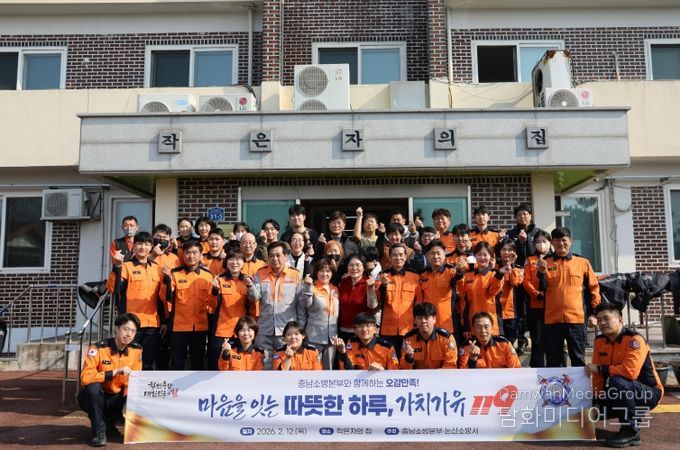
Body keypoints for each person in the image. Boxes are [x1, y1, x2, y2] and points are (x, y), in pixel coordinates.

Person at [586, 303, 664, 448]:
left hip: (649, 392)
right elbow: (597, 376)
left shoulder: (634, 339)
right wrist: (597, 401)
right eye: (599, 319)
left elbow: (629, 372)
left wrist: (601, 369)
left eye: (606, 318)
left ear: (620, 319)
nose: (602, 323)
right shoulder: (599, 341)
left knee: (618, 381)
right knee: (585, 405)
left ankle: (630, 432)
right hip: (622, 390)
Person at [537, 227, 601, 367]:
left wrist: (594, 313)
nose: (561, 243)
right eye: (557, 240)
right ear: (552, 243)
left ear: (570, 241)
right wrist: (541, 272)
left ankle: (578, 383)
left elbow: (594, 289)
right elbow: (541, 288)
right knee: (553, 361)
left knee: (578, 358)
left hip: (576, 320)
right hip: (552, 320)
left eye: (564, 240)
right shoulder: (545, 262)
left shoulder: (582, 262)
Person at [79, 313, 142, 447]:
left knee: (136, 393)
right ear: (116, 329)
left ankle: (109, 424)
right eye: (126, 329)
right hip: (98, 396)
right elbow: (85, 377)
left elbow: (135, 381)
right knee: (92, 389)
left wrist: (129, 402)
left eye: (133, 331)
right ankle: (99, 433)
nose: (129, 334)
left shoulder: (136, 350)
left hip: (117, 397)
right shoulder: (98, 348)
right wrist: (114, 372)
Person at [111, 232, 165, 371]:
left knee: (148, 362)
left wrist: (164, 321)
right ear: (134, 246)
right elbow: (115, 288)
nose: (143, 247)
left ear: (151, 247)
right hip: (130, 323)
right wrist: (117, 267)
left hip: (152, 323)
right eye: (139, 243)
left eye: (147, 244)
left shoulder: (158, 269)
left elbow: (161, 298)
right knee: (127, 361)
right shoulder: (126, 266)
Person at [248, 241, 303, 369]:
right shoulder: (260, 273)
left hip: (286, 330)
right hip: (264, 328)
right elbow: (254, 297)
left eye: (278, 255)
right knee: (263, 364)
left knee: (284, 365)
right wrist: (250, 286)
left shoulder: (295, 274)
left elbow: (300, 304)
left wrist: (299, 327)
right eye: (271, 255)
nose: (275, 258)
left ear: (286, 256)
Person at [162, 240, 214, 370]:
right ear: (183, 254)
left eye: (195, 253)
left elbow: (212, 302)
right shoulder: (174, 274)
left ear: (201, 255)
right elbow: (166, 297)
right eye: (188, 253)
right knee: (177, 363)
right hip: (178, 327)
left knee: (198, 363)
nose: (191, 256)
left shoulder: (207, 276)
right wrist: (167, 281)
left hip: (200, 327)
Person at [456, 241, 508, 338]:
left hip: (492, 325)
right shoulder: (467, 276)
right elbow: (464, 302)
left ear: (491, 257)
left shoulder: (495, 275)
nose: (482, 257)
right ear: (474, 256)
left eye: (485, 254)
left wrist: (500, 274)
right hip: (473, 325)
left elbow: (493, 291)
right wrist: (466, 326)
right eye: (479, 254)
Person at [377, 243, 420, 357]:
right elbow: (377, 300)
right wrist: (383, 285)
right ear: (390, 257)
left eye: (401, 255)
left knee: (407, 359)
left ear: (406, 257)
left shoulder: (415, 277)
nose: (398, 258)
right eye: (394, 255)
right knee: (389, 360)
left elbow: (418, 302)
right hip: (387, 329)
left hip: (408, 329)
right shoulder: (382, 276)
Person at [211, 250, 251, 368]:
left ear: (243, 262)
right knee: (218, 364)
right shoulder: (219, 280)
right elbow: (211, 306)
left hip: (242, 331)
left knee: (240, 365)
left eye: (238, 259)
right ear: (226, 262)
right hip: (222, 330)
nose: (234, 262)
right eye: (231, 259)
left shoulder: (248, 281)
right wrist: (214, 291)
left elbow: (253, 306)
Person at [149, 224, 180, 370]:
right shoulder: (146, 254)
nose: (161, 240)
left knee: (164, 349)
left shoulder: (174, 258)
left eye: (164, 237)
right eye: (158, 237)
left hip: (167, 305)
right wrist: (153, 255)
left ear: (169, 239)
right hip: (148, 304)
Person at [298, 259, 340, 370]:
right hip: (313, 337)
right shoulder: (311, 288)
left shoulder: (335, 289)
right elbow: (304, 305)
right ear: (316, 272)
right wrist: (307, 287)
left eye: (328, 271)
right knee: (312, 370)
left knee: (328, 371)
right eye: (321, 271)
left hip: (332, 338)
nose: (325, 274)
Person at [522, 230, 552, 368]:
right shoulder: (530, 260)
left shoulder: (555, 259)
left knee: (554, 339)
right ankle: (537, 368)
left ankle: (557, 367)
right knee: (537, 339)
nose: (541, 244)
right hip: (536, 305)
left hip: (553, 306)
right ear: (534, 244)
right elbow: (526, 281)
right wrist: (536, 294)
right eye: (538, 242)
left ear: (550, 242)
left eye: (544, 241)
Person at [416, 240, 458, 335]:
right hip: (427, 322)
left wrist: (459, 271)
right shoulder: (422, 274)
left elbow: (457, 278)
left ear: (444, 254)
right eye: (432, 253)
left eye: (438, 253)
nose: (435, 256)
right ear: (427, 255)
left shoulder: (451, 271)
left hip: (447, 321)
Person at [400, 302, 458, 369]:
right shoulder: (409, 339)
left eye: (426, 317)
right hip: (417, 375)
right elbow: (403, 369)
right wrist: (408, 358)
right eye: (419, 318)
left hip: (440, 375)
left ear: (434, 319)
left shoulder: (446, 339)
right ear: (415, 320)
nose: (423, 321)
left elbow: (450, 366)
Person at [332, 312, 399, 370]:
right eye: (360, 326)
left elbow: (394, 372)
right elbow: (348, 370)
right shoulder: (352, 343)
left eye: (368, 325)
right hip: (358, 380)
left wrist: (382, 371)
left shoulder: (387, 347)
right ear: (355, 331)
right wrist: (343, 352)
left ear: (375, 329)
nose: (364, 329)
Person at [337, 254, 378, 342]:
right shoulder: (343, 282)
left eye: (357, 265)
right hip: (342, 329)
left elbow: (372, 306)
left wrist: (371, 288)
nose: (354, 268)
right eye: (351, 265)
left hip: (362, 331)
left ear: (363, 267)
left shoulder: (368, 283)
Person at [496, 239, 525, 344]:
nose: (506, 252)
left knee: (510, 341)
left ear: (514, 252)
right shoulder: (493, 267)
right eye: (504, 249)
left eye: (510, 250)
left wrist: (512, 265)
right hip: (495, 310)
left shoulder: (518, 268)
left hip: (510, 312)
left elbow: (515, 282)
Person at [239, 232, 267, 319]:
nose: (248, 246)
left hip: (257, 310)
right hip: (237, 307)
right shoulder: (234, 264)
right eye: (244, 243)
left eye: (251, 243)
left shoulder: (263, 265)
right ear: (240, 245)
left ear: (255, 245)